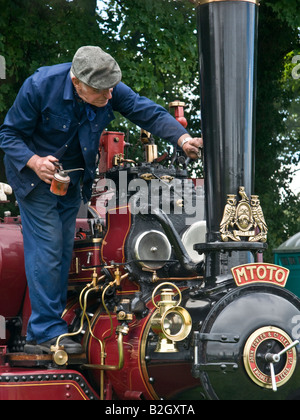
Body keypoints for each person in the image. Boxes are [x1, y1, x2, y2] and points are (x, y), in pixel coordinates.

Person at [0, 46, 202, 355]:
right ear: (76, 81)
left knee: (64, 250)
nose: (109, 97)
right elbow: (9, 135)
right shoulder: (40, 85)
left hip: (72, 180)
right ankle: (44, 333)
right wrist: (33, 161)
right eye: (100, 92)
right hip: (34, 178)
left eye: (111, 90)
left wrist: (182, 138)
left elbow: (146, 110)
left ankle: (60, 323)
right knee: (48, 246)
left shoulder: (108, 87)